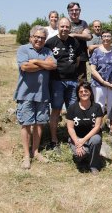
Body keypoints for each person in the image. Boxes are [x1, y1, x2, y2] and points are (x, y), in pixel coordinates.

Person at [14, 25, 56, 169]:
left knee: (39, 124)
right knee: (26, 124)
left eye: (42, 38)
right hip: (25, 94)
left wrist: (36, 62)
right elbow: (25, 67)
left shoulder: (48, 51)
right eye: (36, 37)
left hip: (43, 94)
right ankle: (26, 155)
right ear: (31, 37)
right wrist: (44, 65)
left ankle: (36, 151)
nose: (39, 40)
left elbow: (53, 65)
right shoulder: (23, 49)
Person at [45, 17, 81, 151]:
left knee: (72, 110)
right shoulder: (50, 42)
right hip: (56, 82)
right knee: (56, 110)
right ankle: (54, 140)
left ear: (70, 28)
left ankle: (72, 137)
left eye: (67, 27)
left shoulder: (74, 42)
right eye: (62, 26)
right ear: (58, 27)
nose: (65, 29)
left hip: (72, 81)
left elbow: (77, 60)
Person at [66, 81, 103, 175]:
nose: (83, 93)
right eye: (81, 91)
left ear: (90, 92)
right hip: (76, 138)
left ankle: (93, 165)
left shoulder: (97, 107)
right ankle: (83, 157)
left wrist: (83, 140)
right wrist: (78, 142)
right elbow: (70, 128)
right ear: (78, 94)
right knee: (80, 155)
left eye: (86, 91)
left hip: (91, 137)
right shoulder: (72, 108)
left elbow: (97, 127)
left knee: (96, 139)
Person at [90, 29, 112, 115]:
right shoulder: (96, 51)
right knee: (99, 105)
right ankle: (99, 126)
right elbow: (93, 69)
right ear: (101, 38)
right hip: (99, 83)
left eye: (108, 36)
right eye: (104, 36)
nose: (106, 38)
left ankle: (111, 126)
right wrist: (103, 82)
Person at [67, 2, 92, 80]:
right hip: (68, 57)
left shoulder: (83, 23)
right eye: (71, 10)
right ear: (68, 11)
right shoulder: (65, 23)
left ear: (80, 11)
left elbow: (88, 36)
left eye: (76, 10)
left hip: (82, 57)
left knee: (82, 81)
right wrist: (81, 34)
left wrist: (74, 35)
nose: (74, 12)